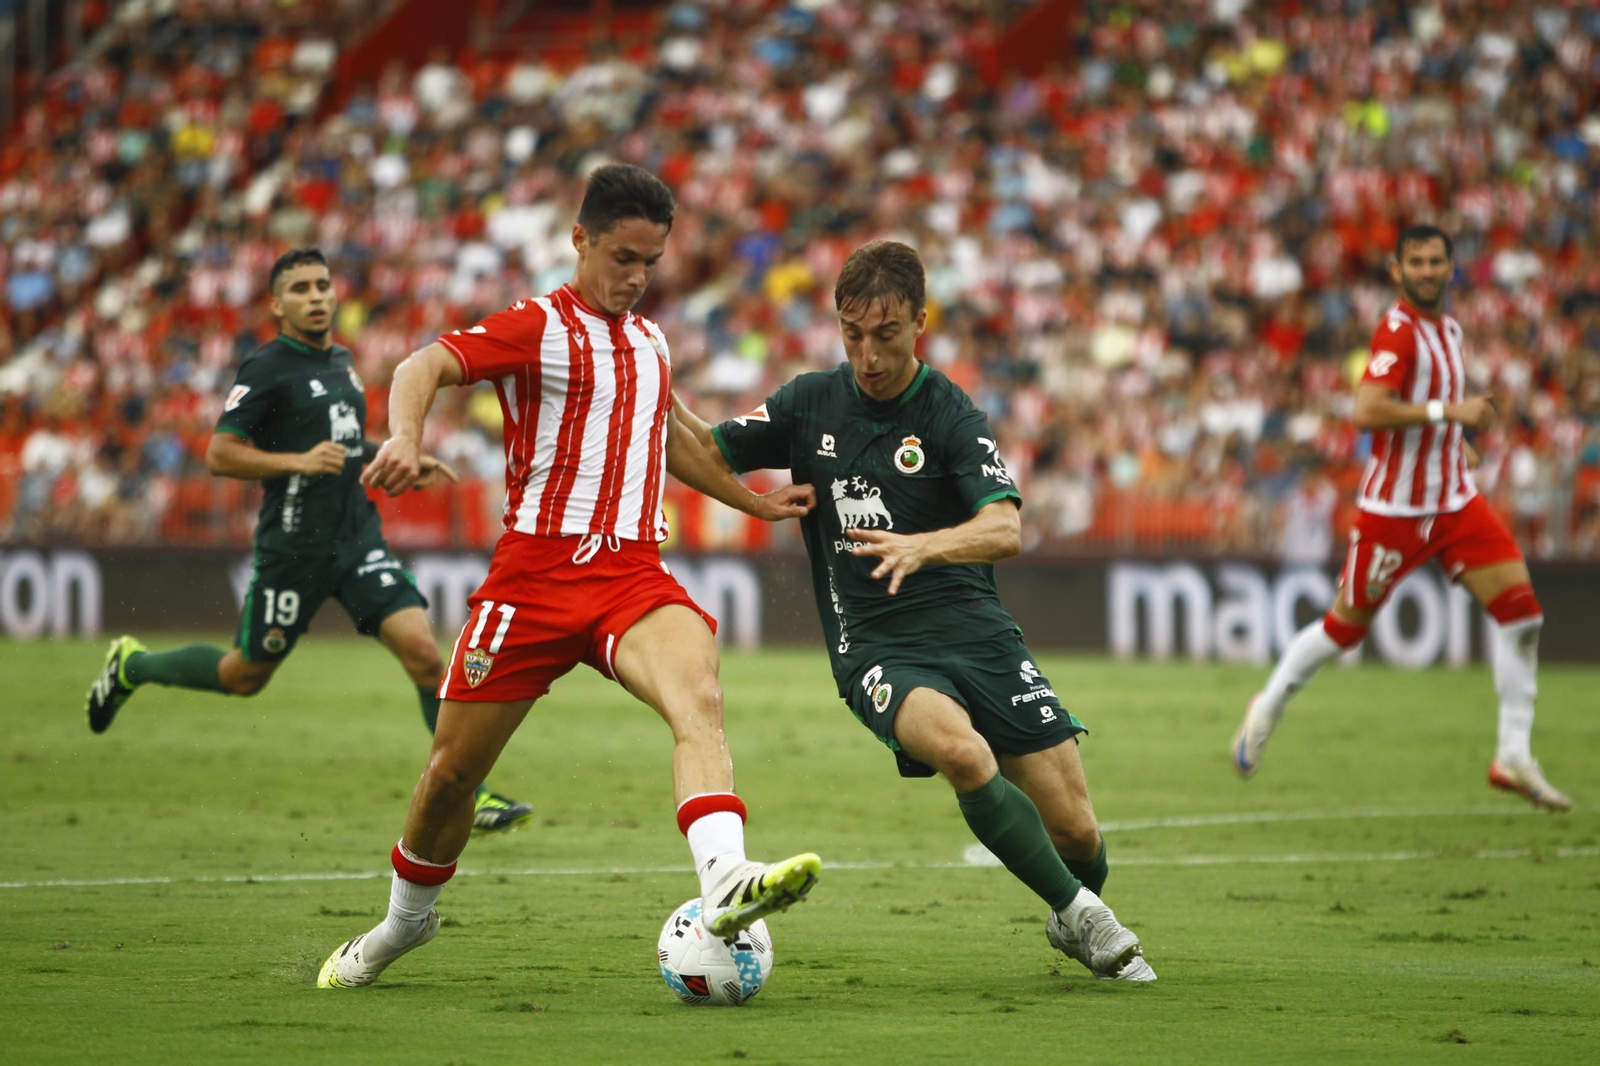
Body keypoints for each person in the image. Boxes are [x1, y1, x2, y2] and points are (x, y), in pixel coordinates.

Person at [316, 164, 822, 989]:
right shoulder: (537, 327)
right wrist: (402, 437)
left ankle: (724, 880)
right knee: (452, 773)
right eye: (623, 256)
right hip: (533, 580)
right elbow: (421, 366)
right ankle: (402, 926)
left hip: (631, 575)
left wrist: (752, 503)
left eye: (651, 262)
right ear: (579, 239)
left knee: (699, 696)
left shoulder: (651, 342)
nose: (636, 277)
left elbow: (678, 438)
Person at [682, 239, 1154, 981]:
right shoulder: (808, 402)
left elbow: (1006, 527)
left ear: (920, 324)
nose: (867, 355)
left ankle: (1072, 905)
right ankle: (1091, 921)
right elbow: (701, 449)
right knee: (963, 753)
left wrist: (920, 547)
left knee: (1078, 830)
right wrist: (721, 468)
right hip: (877, 644)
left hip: (977, 630)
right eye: (852, 334)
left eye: (886, 335)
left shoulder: (950, 412)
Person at [82, 248, 536, 832]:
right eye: (300, 288)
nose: (317, 296)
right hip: (292, 550)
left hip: (357, 540)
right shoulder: (266, 368)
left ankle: (474, 795)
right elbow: (220, 453)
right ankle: (133, 666)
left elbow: (342, 444)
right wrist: (297, 460)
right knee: (244, 674)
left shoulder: (343, 362)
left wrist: (396, 453)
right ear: (277, 304)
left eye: (322, 284)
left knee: (427, 656)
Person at [1233, 224, 1571, 811]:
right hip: (1395, 511)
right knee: (1345, 629)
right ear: (1397, 270)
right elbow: (1367, 410)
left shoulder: (1450, 328)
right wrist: (1451, 411)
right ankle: (1268, 705)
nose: (1427, 270)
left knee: (1522, 617)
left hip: (1455, 502)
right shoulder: (1399, 331)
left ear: (1451, 266)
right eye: (1415, 262)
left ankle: (1513, 754)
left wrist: (1451, 442)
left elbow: (1428, 418)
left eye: (1436, 260)